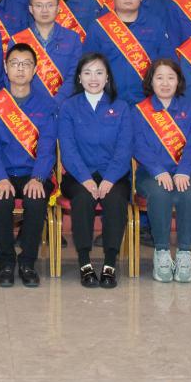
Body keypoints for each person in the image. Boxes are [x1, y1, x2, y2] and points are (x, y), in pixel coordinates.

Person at [0, 44, 56, 288]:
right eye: (14, 63)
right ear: (6, 67)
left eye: (26, 64)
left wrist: (38, 177)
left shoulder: (46, 105)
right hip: (2, 174)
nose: (20, 69)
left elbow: (47, 149)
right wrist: (0, 179)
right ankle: (6, 263)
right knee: (1, 201)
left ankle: (28, 263)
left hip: (34, 174)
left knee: (36, 199)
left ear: (35, 70)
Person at [58, 54, 134, 288]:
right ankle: (85, 263)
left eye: (99, 72)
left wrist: (109, 179)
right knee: (82, 199)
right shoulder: (69, 107)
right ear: (79, 77)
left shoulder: (120, 107)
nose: (93, 78)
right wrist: (86, 179)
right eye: (88, 73)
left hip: (114, 175)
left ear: (107, 77)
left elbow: (124, 148)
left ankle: (110, 263)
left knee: (116, 199)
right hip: (78, 176)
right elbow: (68, 149)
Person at [131, 58, 191, 284]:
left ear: (178, 81)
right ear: (151, 81)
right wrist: (157, 170)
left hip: (187, 172)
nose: (165, 83)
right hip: (151, 174)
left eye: (170, 78)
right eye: (159, 78)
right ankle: (162, 252)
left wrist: (184, 170)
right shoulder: (139, 111)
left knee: (190, 192)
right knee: (160, 192)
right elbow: (137, 145)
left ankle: (184, 254)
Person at [83, 0, 171, 101]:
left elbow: (168, 62)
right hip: (109, 101)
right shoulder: (98, 28)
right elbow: (87, 66)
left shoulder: (155, 24)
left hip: (148, 103)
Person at [12, 0, 83, 100]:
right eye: (39, 6)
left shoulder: (72, 39)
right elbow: (12, 77)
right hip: (28, 105)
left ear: (58, 8)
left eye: (50, 5)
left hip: (64, 103)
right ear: (31, 9)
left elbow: (74, 75)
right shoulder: (18, 40)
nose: (44, 10)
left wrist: (58, 101)